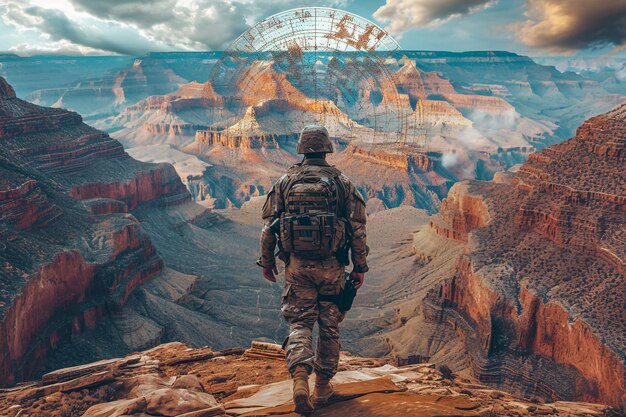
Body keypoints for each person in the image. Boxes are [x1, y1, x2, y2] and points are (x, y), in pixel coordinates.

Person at [257, 124, 368, 414]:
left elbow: (268, 228)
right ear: (327, 147)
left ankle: (299, 381)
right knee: (329, 327)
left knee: (300, 323)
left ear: (302, 148)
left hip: (297, 268)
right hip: (332, 268)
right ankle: (322, 389)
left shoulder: (286, 181)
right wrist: (360, 267)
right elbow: (358, 229)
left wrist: (267, 262)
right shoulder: (341, 182)